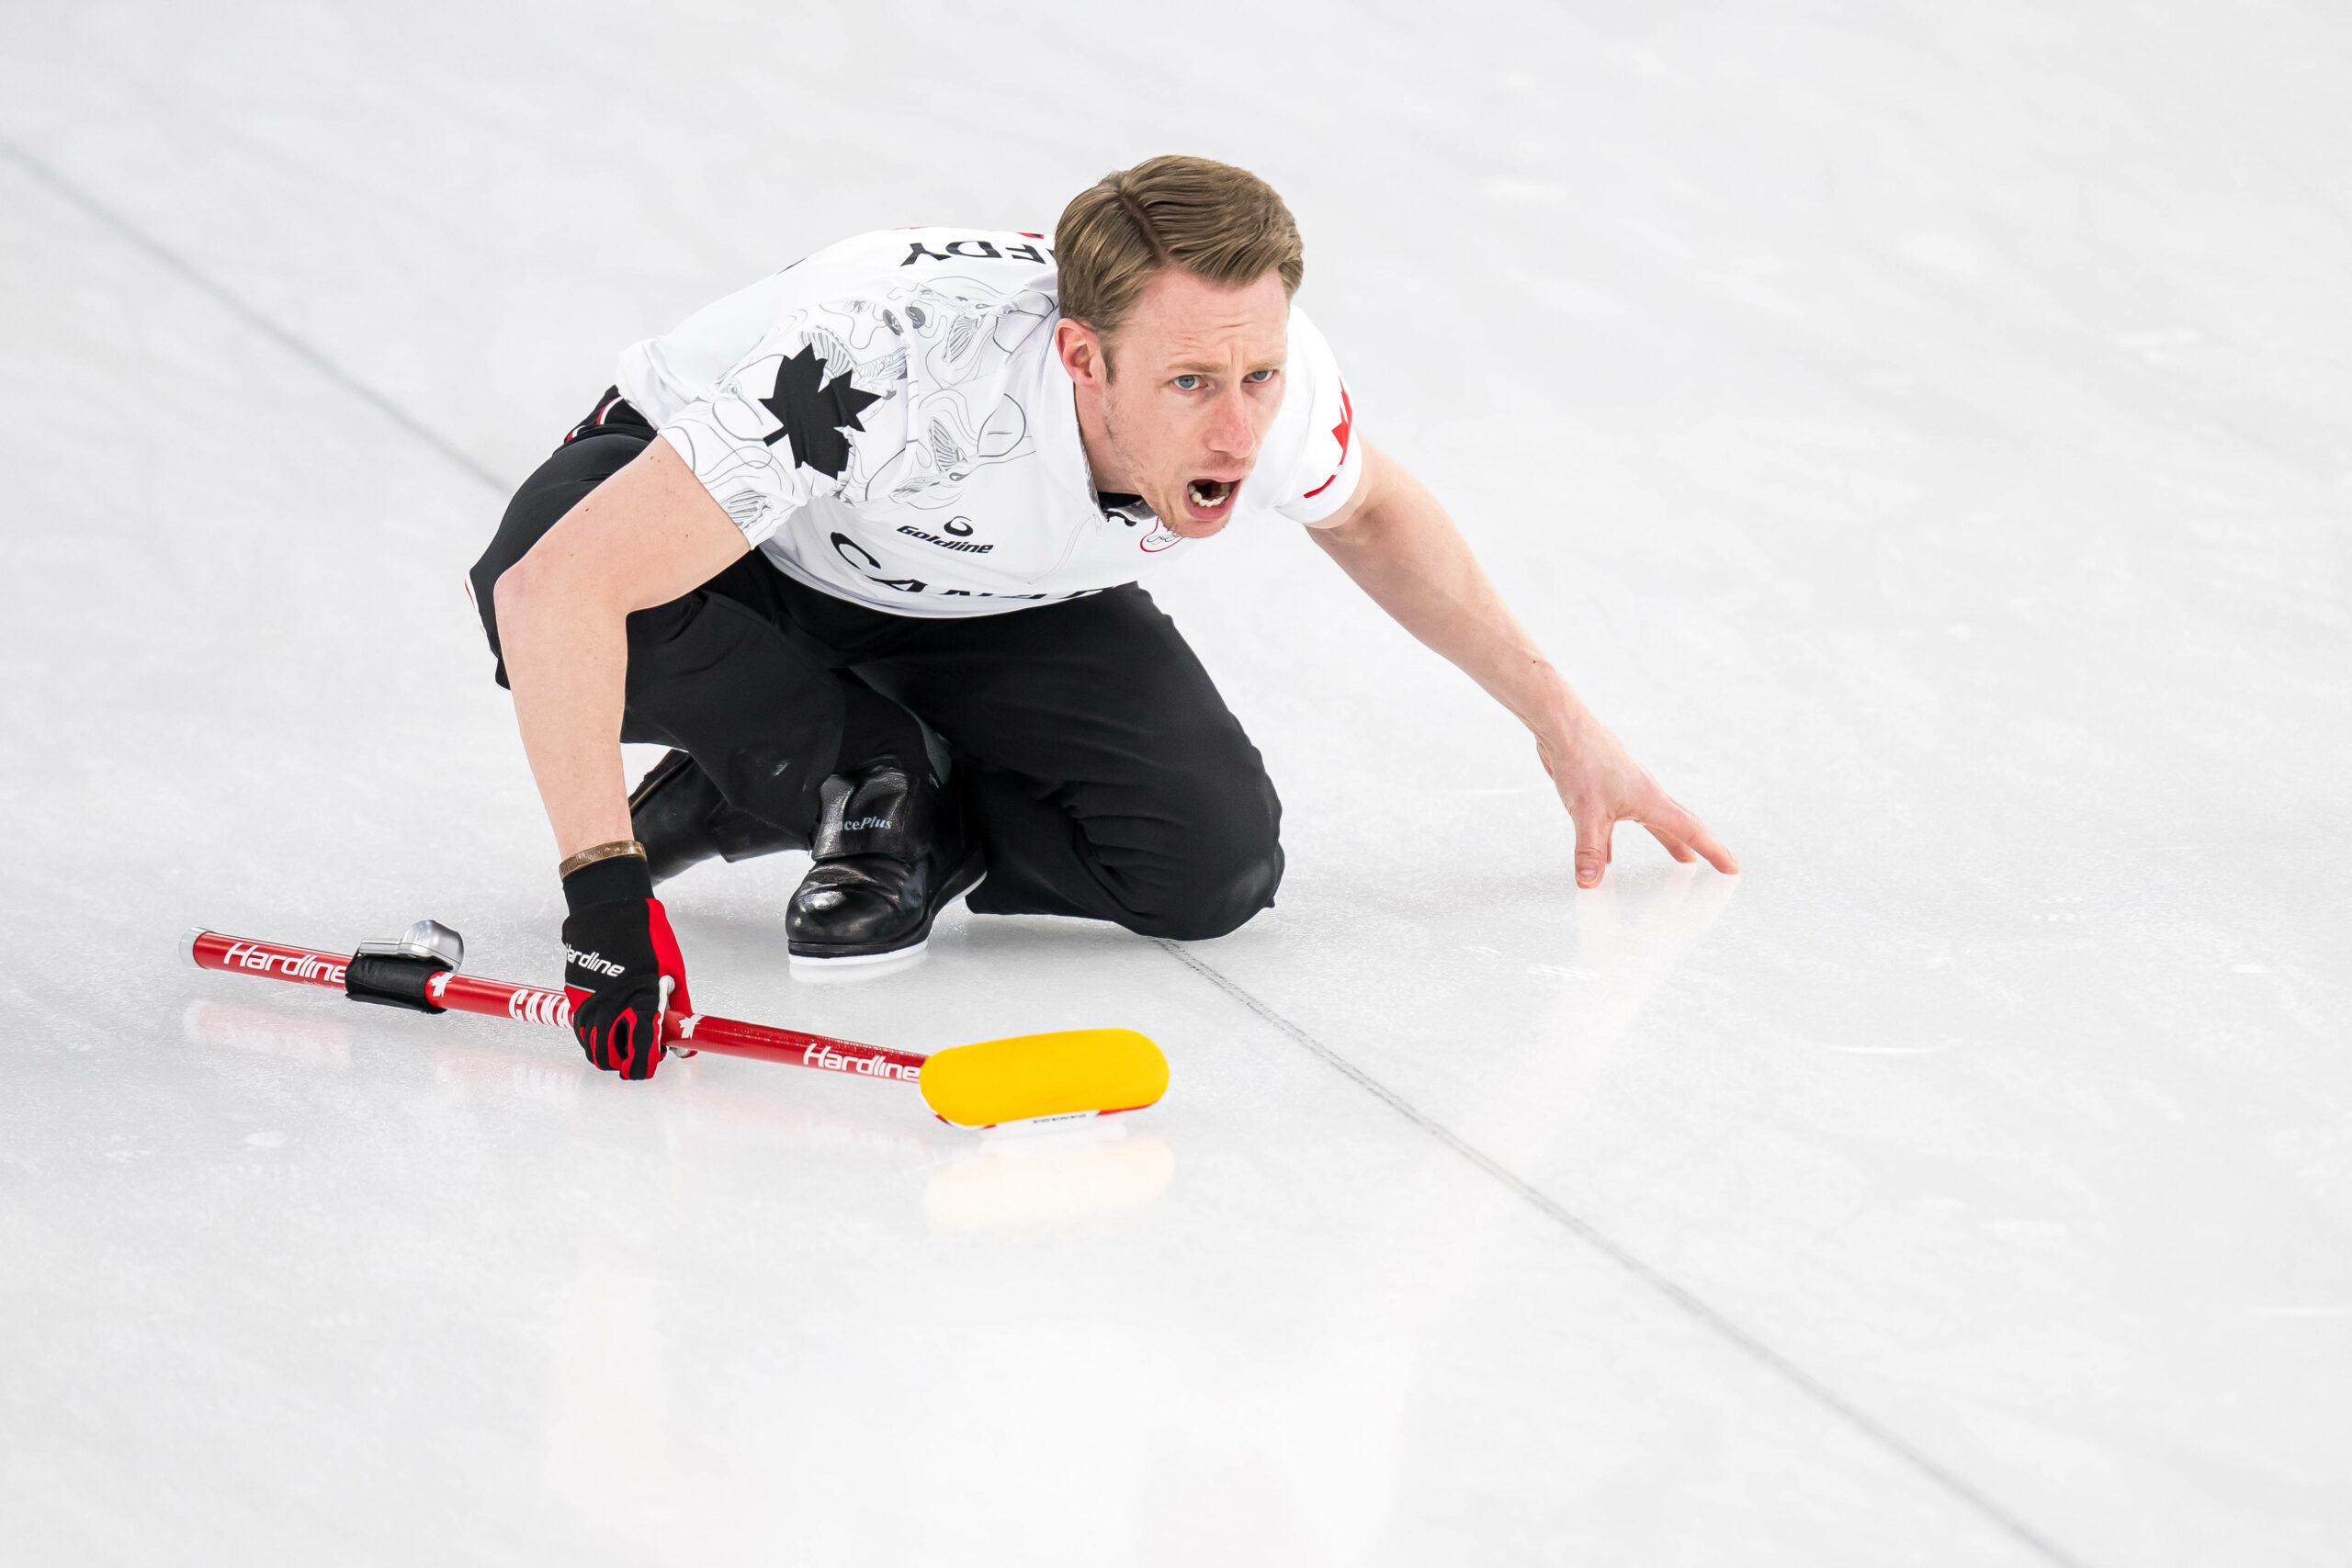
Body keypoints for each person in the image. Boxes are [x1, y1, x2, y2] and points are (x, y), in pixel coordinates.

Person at [471, 154, 1737, 1081]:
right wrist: (604, 902)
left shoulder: (1264, 375)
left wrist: (1563, 724)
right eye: (1189, 384)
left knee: (1210, 867)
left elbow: (1373, 516)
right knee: (535, 578)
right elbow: (557, 592)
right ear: (1082, 357)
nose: (1238, 431)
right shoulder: (880, 363)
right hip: (743, 543)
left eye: (1257, 377)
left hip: (976, 587)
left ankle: (817, 785)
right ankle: (855, 766)